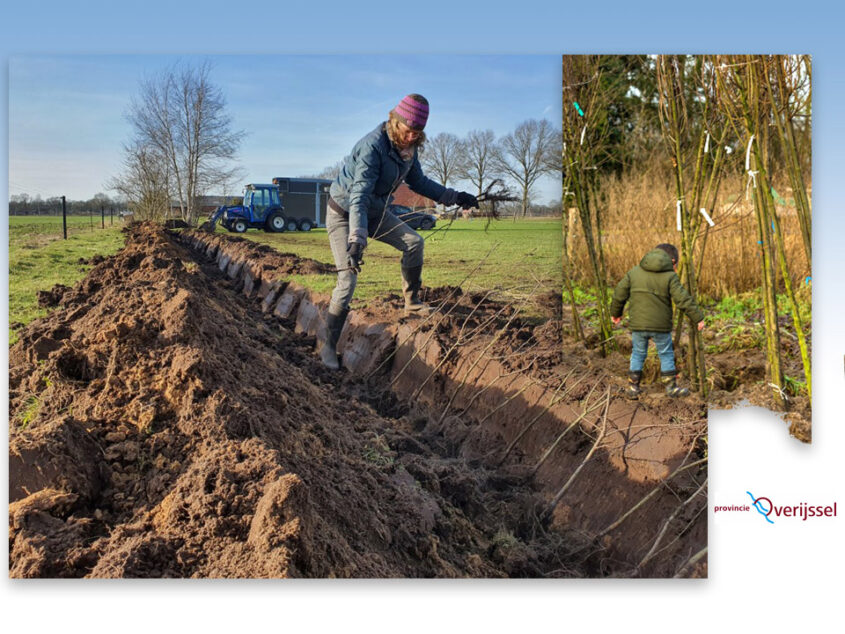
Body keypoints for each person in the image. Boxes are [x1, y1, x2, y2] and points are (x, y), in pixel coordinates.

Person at [320, 94, 478, 370]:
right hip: (344, 212)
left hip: (375, 210)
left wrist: (455, 196)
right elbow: (358, 196)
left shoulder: (409, 149)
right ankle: (328, 347)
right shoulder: (373, 146)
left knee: (414, 243)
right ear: (396, 121)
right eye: (408, 131)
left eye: (417, 133)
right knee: (347, 280)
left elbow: (419, 182)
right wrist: (357, 238)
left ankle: (412, 302)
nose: (411, 137)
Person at [609, 243, 705, 398]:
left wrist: (616, 313)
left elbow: (619, 293)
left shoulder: (634, 272)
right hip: (661, 326)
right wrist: (698, 318)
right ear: (672, 261)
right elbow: (682, 300)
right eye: (676, 265)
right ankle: (671, 387)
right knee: (666, 353)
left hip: (638, 325)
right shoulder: (670, 277)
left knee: (638, 353)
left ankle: (633, 387)